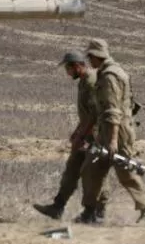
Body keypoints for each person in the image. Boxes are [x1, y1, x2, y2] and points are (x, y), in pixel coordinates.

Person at [78, 38, 145, 226]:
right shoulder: (109, 72)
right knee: (91, 169)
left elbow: (112, 110)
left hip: (117, 133)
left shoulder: (110, 76)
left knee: (125, 173)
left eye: (90, 57)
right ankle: (90, 212)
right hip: (108, 131)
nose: (89, 62)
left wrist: (112, 141)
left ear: (96, 57)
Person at [33, 51, 109, 221]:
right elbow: (86, 114)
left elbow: (96, 114)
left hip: (96, 135)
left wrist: (82, 135)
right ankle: (57, 207)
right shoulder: (83, 82)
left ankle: (98, 211)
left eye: (68, 69)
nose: (67, 73)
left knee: (94, 172)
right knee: (72, 169)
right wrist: (77, 132)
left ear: (76, 66)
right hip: (86, 133)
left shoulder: (90, 81)